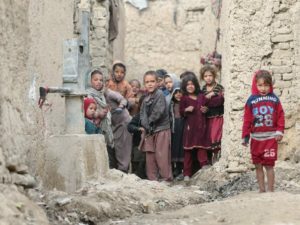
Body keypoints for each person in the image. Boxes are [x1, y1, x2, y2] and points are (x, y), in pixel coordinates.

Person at [242, 70, 285, 192]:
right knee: (258, 165)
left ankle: (270, 191)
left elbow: (281, 115)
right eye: (260, 85)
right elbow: (247, 119)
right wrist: (245, 136)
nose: (263, 88)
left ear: (270, 85)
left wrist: (280, 131)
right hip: (256, 139)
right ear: (255, 85)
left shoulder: (274, 99)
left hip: (270, 139)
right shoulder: (251, 100)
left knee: (269, 165)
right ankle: (261, 190)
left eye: (266, 85)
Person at [140, 70, 173, 181]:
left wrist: (149, 123)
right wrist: (146, 125)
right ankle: (152, 179)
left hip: (161, 130)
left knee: (162, 155)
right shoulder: (145, 99)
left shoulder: (160, 95)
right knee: (150, 156)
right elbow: (142, 114)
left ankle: (166, 178)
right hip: (150, 131)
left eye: (152, 81)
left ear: (158, 83)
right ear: (144, 84)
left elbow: (158, 112)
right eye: (147, 82)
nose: (150, 84)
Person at [179, 72, 210, 181]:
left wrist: (206, 109)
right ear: (184, 87)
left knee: (201, 147)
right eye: (187, 85)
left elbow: (207, 107)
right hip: (190, 128)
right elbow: (181, 111)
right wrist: (186, 110)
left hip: (201, 127)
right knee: (188, 151)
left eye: (192, 84)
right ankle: (186, 173)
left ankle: (204, 166)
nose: (190, 86)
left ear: (196, 85)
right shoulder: (184, 98)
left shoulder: (201, 97)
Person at [86, 69, 116, 169]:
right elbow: (87, 111)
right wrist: (98, 114)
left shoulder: (101, 95)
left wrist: (105, 111)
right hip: (93, 128)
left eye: (101, 80)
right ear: (90, 81)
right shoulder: (88, 94)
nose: (99, 82)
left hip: (103, 127)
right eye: (95, 79)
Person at [200, 65, 224, 164]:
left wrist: (213, 95)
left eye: (210, 75)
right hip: (207, 117)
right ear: (203, 77)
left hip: (217, 116)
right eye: (205, 76)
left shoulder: (219, 87)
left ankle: (216, 154)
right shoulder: (203, 89)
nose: (208, 78)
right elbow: (202, 102)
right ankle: (210, 157)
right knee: (209, 137)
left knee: (216, 135)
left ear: (214, 76)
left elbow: (220, 100)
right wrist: (204, 107)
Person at [127, 95, 147, 179]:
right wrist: (138, 128)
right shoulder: (138, 116)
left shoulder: (153, 115)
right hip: (138, 144)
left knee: (145, 163)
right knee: (138, 162)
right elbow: (129, 126)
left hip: (148, 145)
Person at [169, 87, 184, 180]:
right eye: (176, 93)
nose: (178, 94)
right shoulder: (171, 105)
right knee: (175, 148)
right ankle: (175, 169)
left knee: (182, 148)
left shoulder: (185, 104)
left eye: (180, 92)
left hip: (183, 126)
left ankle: (181, 169)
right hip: (174, 128)